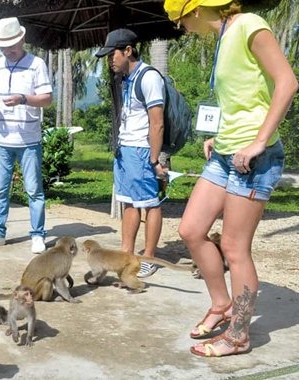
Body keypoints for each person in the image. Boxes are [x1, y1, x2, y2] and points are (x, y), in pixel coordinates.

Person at [163, 0, 297, 357]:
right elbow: (241, 97)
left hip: (254, 157)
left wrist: (257, 142)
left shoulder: (249, 24)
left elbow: (287, 83)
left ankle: (238, 336)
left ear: (193, 11)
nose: (182, 29)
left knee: (235, 249)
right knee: (191, 229)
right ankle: (221, 304)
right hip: (224, 152)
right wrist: (218, 134)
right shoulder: (223, 37)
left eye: (178, 21)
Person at [0, 17, 52, 254]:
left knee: (33, 190)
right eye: (4, 46)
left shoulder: (37, 64)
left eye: (12, 45)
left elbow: (47, 98)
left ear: (22, 40)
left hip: (29, 139)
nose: (8, 50)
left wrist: (23, 98)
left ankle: (38, 235)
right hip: (1, 137)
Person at [94, 28, 166, 278]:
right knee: (128, 201)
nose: (109, 60)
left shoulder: (149, 77)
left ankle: (149, 257)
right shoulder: (126, 79)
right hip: (125, 150)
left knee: (150, 203)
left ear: (128, 50)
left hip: (141, 150)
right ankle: (127, 253)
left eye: (112, 54)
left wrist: (155, 160)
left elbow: (157, 123)